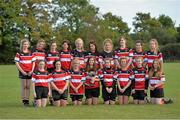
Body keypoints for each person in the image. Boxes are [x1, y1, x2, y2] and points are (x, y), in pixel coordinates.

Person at [14, 38, 35, 106]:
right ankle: (24, 101)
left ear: (28, 45)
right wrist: (22, 71)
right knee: (24, 86)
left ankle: (27, 100)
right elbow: (17, 63)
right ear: (22, 45)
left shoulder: (31, 52)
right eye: (24, 44)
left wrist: (31, 70)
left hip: (29, 72)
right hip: (22, 72)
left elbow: (33, 62)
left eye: (26, 44)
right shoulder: (19, 53)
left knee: (28, 86)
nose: (25, 45)